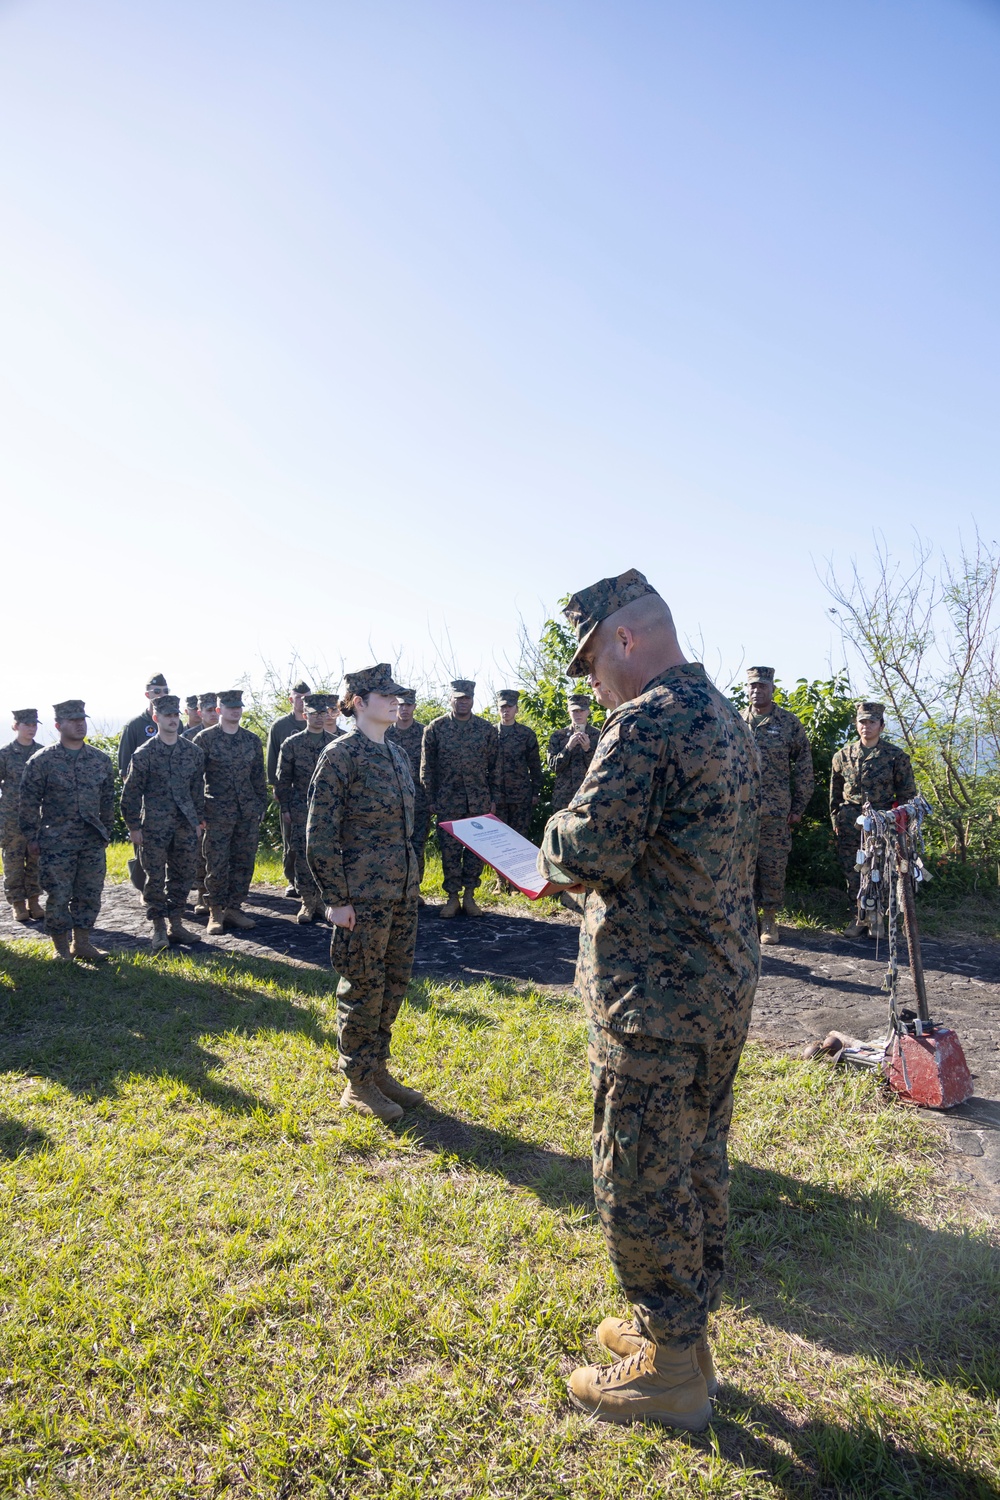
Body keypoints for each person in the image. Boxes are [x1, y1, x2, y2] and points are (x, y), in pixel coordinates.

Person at [537, 569, 761, 1431]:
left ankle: (669, 1371)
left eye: (592, 662)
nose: (594, 683)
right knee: (697, 1162)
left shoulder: (648, 721)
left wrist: (551, 836)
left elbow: (587, 846)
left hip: (654, 1004)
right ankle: (683, 1336)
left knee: (637, 1176)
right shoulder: (723, 715)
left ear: (624, 640)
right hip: (716, 990)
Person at [306, 664, 422, 1123]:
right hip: (361, 897)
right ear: (357, 701)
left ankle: (377, 1069)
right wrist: (336, 900)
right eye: (384, 695)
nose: (396, 701)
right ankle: (357, 1084)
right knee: (363, 987)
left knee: (393, 985)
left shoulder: (396, 754)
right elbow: (319, 834)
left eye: (398, 695)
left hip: (401, 892)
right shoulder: (340, 756)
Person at [19, 699, 116, 961]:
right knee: (59, 894)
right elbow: (28, 801)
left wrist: (105, 830)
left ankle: (82, 943)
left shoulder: (99, 759)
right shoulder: (43, 761)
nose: (79, 724)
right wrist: (31, 836)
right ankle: (61, 948)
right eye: (73, 720)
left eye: (82, 719)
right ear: (58, 725)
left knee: (89, 893)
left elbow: (108, 799)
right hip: (56, 841)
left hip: (91, 840)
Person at [121, 694, 205, 952]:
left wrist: (199, 821)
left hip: (184, 826)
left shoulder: (192, 752)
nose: (173, 719)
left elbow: (197, 790)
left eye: (176, 715)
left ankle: (176, 924)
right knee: (154, 878)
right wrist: (134, 827)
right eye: (167, 715)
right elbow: (131, 793)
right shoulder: (144, 753)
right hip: (154, 827)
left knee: (184, 875)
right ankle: (158, 926)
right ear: (156, 718)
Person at [740, 666, 814, 946]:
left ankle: (769, 918)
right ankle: (747, 919)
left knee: (772, 865)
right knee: (741, 867)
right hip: (741, 811)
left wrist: (799, 805)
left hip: (775, 811)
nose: (757, 691)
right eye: (752, 686)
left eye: (762, 686)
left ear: (772, 689)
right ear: (747, 689)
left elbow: (804, 766)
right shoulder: (736, 721)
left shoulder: (788, 723)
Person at [830, 701, 917, 938]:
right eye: (862, 722)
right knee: (853, 869)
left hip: (882, 821)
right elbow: (835, 795)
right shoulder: (843, 756)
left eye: (871, 722)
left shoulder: (895, 756)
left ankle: (877, 917)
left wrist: (900, 824)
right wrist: (836, 822)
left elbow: (907, 795)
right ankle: (859, 915)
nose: (866, 726)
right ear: (856, 724)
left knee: (880, 869)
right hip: (850, 822)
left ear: (881, 725)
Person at [420, 679, 499, 918]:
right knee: (450, 851)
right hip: (448, 800)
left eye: (466, 698)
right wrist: (431, 797)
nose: (462, 702)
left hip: (478, 800)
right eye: (458, 698)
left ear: (472, 700)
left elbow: (495, 768)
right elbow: (427, 767)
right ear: (450, 699)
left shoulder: (486, 730)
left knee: (476, 850)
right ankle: (452, 897)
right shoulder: (435, 728)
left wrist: (493, 798)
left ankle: (470, 896)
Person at [194, 690, 267, 934]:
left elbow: (259, 777)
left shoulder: (251, 740)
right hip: (216, 811)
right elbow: (194, 779)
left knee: (244, 861)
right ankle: (215, 911)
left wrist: (260, 807)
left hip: (246, 811)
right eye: (230, 707)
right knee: (216, 863)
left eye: (239, 707)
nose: (235, 710)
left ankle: (234, 908)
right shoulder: (204, 739)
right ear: (219, 710)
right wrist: (198, 812)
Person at [275, 693, 337, 923]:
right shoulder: (292, 744)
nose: (320, 718)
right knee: (302, 854)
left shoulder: (335, 741)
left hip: (330, 807)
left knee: (327, 854)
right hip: (301, 806)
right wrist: (286, 808)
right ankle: (307, 902)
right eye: (314, 714)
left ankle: (324, 901)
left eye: (324, 713)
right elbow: (283, 780)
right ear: (305, 715)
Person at [266, 680, 310, 898]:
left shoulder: (317, 722)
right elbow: (272, 758)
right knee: (290, 839)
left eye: (306, 697)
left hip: (313, 791)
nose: (302, 701)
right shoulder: (280, 726)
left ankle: (311, 881)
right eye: (299, 697)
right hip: (290, 790)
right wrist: (276, 786)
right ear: (291, 699)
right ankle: (292, 879)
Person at [0, 709, 44, 923]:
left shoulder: (43, 753)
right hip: (11, 819)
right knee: (13, 861)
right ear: (16, 726)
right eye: (27, 724)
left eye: (34, 724)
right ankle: (17, 903)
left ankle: (34, 901)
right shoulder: (5, 754)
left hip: (37, 817)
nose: (31, 728)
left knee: (35, 860)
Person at [386, 688, 429, 896]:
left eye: (408, 705)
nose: (404, 709)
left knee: (417, 846)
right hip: (391, 800)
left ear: (414, 707)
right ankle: (394, 888)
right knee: (392, 844)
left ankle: (414, 889)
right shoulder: (386, 732)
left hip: (418, 800)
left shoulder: (425, 732)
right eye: (401, 704)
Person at [494, 690, 542, 837]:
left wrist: (535, 792)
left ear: (516, 709)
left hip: (520, 796)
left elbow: (534, 765)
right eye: (502, 707)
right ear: (498, 709)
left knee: (519, 837)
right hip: (496, 796)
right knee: (497, 838)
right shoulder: (489, 733)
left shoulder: (526, 734)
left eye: (509, 707)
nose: (506, 710)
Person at [188, 694, 219, 903]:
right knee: (199, 852)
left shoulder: (223, 733)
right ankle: (201, 893)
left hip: (217, 805)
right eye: (208, 710)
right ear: (200, 712)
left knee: (216, 853)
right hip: (197, 803)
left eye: (214, 709)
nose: (212, 714)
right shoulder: (189, 736)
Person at [548, 694, 600, 811]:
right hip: (563, 797)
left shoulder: (598, 735)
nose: (578, 714)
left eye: (581, 710)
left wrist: (588, 749)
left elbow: (602, 768)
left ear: (588, 712)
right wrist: (568, 748)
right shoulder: (558, 736)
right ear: (568, 712)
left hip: (589, 795)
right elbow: (553, 766)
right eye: (574, 711)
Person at [118, 673, 169, 775]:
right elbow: (125, 768)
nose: (162, 695)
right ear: (147, 695)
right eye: (157, 691)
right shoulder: (134, 725)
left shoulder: (176, 724)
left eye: (166, 691)